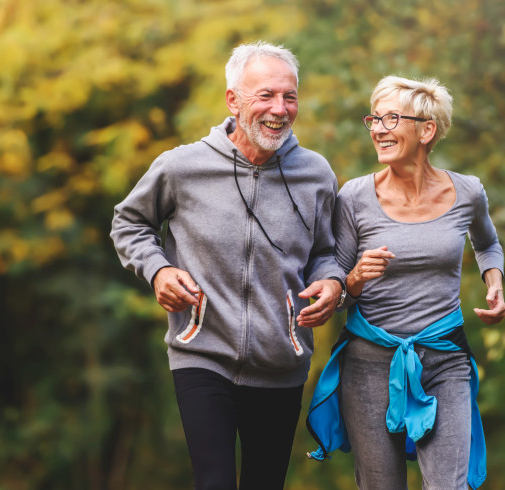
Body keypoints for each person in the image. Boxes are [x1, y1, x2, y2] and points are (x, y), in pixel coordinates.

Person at [110, 41, 346, 490]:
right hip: (201, 353)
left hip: (282, 360)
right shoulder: (182, 167)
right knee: (214, 481)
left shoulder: (316, 174)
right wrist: (158, 270)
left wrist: (332, 282)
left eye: (289, 96)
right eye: (266, 95)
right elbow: (130, 223)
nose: (280, 108)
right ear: (233, 100)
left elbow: (327, 251)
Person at [306, 76, 505, 489]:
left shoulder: (468, 192)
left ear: (426, 129)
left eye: (391, 118)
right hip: (368, 365)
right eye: (374, 119)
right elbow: (339, 289)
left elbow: (487, 243)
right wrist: (356, 277)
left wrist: (495, 281)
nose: (378, 128)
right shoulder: (354, 196)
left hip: (444, 358)